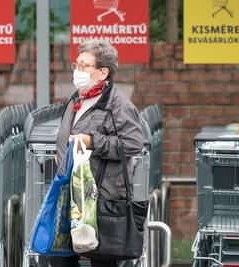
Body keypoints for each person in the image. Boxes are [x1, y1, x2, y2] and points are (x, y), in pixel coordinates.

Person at [50, 40, 143, 267]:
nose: (77, 71)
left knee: (101, 258)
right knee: (58, 256)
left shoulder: (118, 105)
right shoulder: (78, 97)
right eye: (76, 65)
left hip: (100, 194)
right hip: (72, 192)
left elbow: (133, 143)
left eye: (84, 66)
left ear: (103, 72)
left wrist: (93, 141)